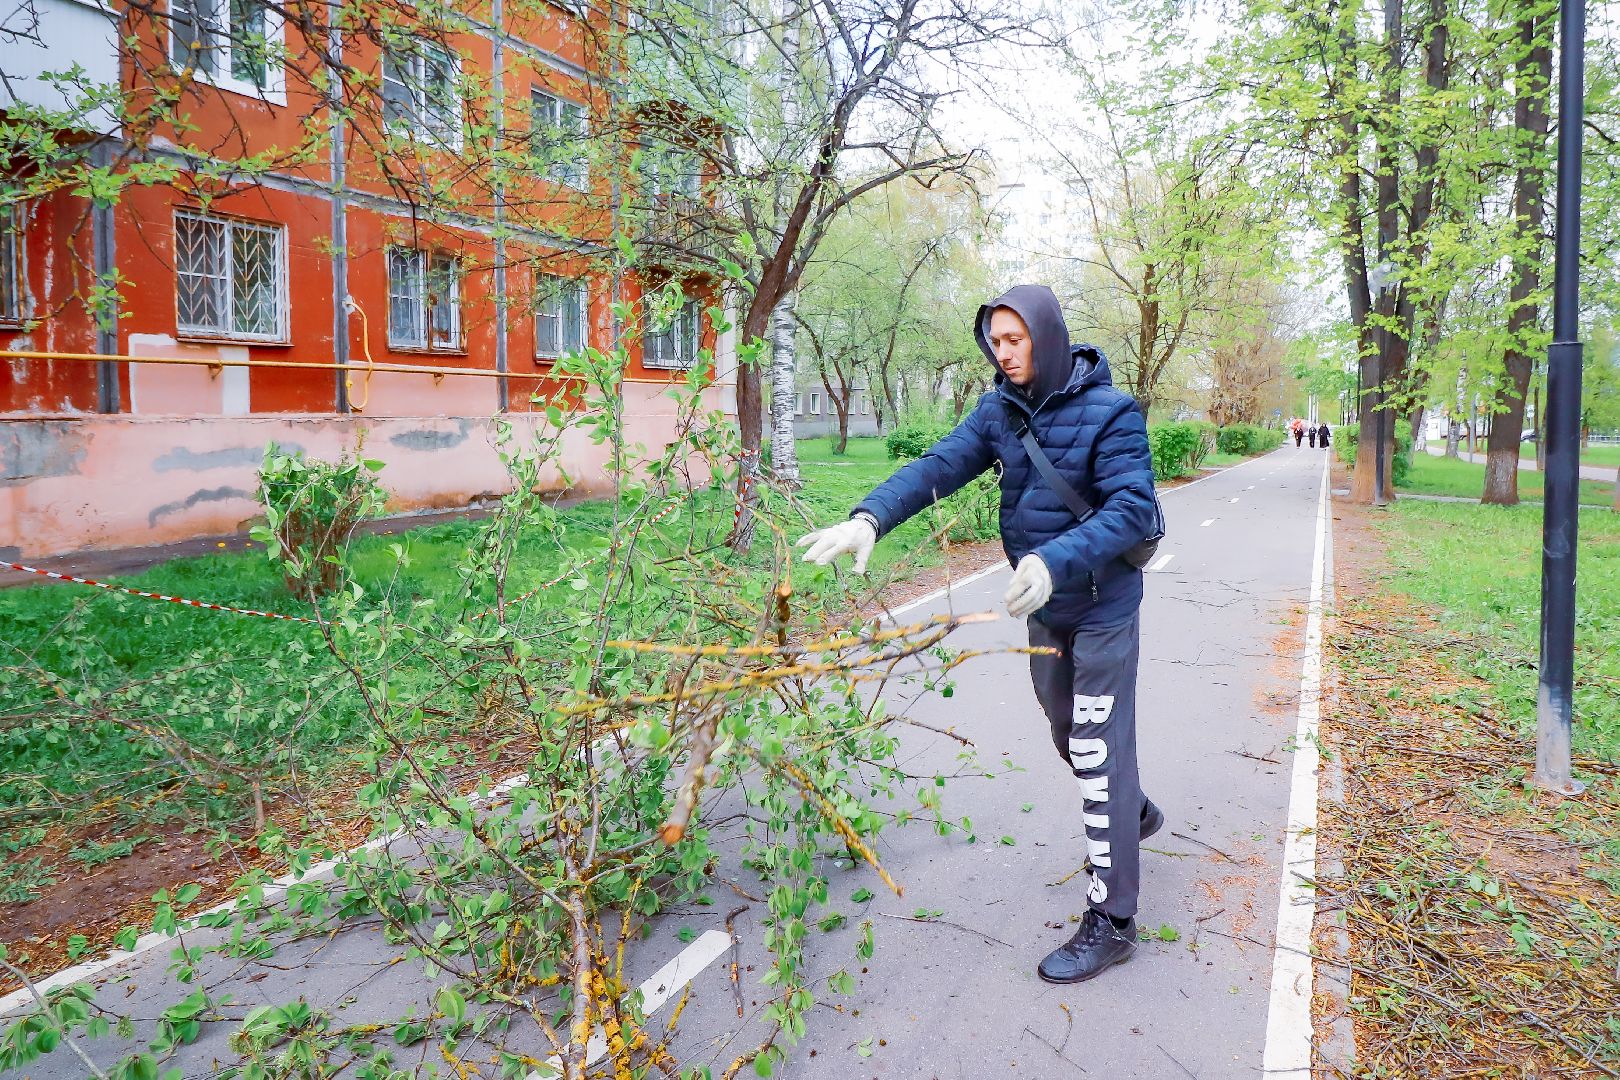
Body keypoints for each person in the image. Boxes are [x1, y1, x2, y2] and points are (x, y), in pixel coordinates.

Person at [796, 284, 1164, 984]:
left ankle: (1113, 921)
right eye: (995, 341)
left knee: (1094, 741)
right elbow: (939, 466)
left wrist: (1053, 561)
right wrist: (868, 517)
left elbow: (1131, 510)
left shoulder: (1113, 413)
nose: (1003, 352)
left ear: (1047, 337)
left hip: (1103, 606)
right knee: (1070, 738)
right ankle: (1129, 811)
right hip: (1046, 610)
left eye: (1015, 339)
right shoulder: (999, 411)